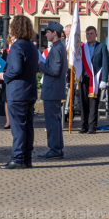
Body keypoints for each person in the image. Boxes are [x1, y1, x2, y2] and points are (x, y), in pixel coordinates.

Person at [0, 15, 39, 169]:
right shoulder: (32, 46)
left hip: (18, 92)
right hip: (30, 91)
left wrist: (3, 76)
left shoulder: (16, 46)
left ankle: (18, 157)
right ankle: (27, 158)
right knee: (28, 126)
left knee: (18, 127)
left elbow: (16, 69)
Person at [37, 21, 67, 159]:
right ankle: (57, 148)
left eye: (48, 32)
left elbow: (54, 70)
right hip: (55, 89)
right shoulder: (59, 47)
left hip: (52, 89)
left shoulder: (56, 49)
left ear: (54, 33)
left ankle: (54, 149)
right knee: (55, 120)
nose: (46, 34)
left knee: (52, 121)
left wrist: (40, 65)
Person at [79, 25, 109, 134]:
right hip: (83, 79)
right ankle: (84, 126)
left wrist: (104, 80)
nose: (89, 35)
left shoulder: (101, 47)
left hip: (95, 80)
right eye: (87, 34)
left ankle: (92, 126)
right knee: (83, 103)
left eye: (91, 33)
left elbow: (106, 64)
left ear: (96, 35)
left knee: (93, 104)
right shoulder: (82, 47)